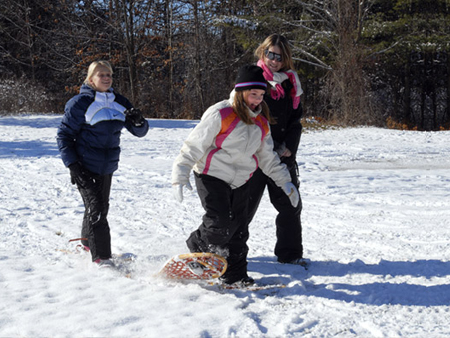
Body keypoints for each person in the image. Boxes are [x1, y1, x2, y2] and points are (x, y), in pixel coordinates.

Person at [171, 65, 300, 286]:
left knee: (239, 230)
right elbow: (193, 145)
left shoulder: (261, 122)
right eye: (253, 94)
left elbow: (267, 157)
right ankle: (197, 245)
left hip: (241, 180)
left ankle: (235, 276)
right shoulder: (221, 113)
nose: (258, 100)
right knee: (220, 223)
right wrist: (180, 174)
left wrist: (285, 182)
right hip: (211, 175)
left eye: (261, 95)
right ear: (241, 91)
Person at [57, 61, 149, 266]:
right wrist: (72, 164)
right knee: (96, 209)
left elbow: (140, 132)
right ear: (90, 79)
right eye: (101, 75)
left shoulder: (120, 101)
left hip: (107, 166)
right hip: (83, 165)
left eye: (109, 74)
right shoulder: (79, 103)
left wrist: (139, 121)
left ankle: (87, 243)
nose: (106, 78)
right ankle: (102, 259)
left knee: (98, 207)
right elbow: (63, 136)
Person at [247, 34, 305, 265]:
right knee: (241, 210)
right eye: (270, 54)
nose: (274, 60)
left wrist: (290, 147)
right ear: (263, 52)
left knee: (291, 205)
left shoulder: (292, 83)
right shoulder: (252, 77)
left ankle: (290, 256)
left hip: (281, 156)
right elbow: (241, 114)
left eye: (279, 57)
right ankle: (226, 254)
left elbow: (296, 120)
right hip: (253, 154)